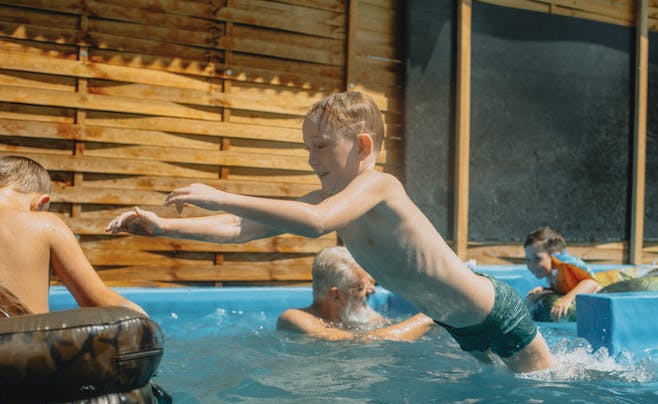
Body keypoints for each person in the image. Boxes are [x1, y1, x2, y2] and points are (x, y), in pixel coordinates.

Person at [108, 91, 553, 371]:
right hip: (457, 324)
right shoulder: (335, 199)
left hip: (494, 310)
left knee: (545, 393)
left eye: (320, 147)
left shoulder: (380, 186)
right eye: (308, 148)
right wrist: (166, 225)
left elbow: (317, 224)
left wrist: (219, 194)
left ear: (362, 146)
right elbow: (239, 228)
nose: (310, 159)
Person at [0, 155, 146, 316]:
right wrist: (147, 325)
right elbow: (100, 302)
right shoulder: (45, 224)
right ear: (41, 203)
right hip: (23, 339)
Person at [278, 246, 434, 340]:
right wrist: (430, 317)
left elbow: (383, 331)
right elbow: (359, 341)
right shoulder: (294, 319)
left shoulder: (360, 313)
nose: (372, 290)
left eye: (370, 283)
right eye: (361, 287)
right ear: (337, 296)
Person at [523, 226, 599, 321]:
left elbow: (591, 283)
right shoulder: (551, 273)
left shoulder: (563, 266)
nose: (530, 264)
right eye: (528, 259)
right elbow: (565, 287)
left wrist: (566, 300)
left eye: (537, 258)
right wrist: (547, 289)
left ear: (554, 255)